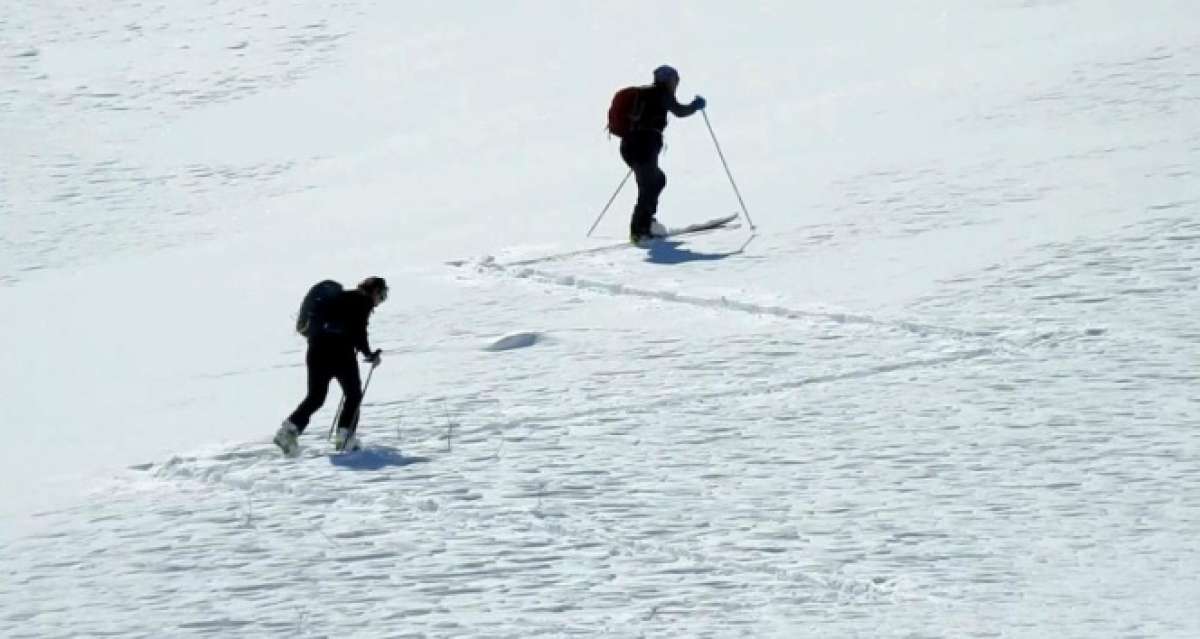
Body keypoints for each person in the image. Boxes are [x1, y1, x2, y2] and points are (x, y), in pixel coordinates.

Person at [274, 276, 388, 455]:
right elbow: (358, 330)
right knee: (353, 395)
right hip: (340, 352)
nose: (380, 301)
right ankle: (345, 437)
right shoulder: (361, 300)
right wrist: (369, 354)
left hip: (316, 350)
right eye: (382, 295)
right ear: (374, 291)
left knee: (316, 396)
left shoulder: (340, 298)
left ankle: (288, 431)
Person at [620, 64, 706, 244]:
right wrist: (695, 106)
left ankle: (646, 223)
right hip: (643, 146)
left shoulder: (644, 94)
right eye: (675, 81)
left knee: (655, 181)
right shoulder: (661, 93)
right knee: (651, 184)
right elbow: (680, 111)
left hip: (630, 147)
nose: (676, 85)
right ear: (668, 80)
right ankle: (639, 230)